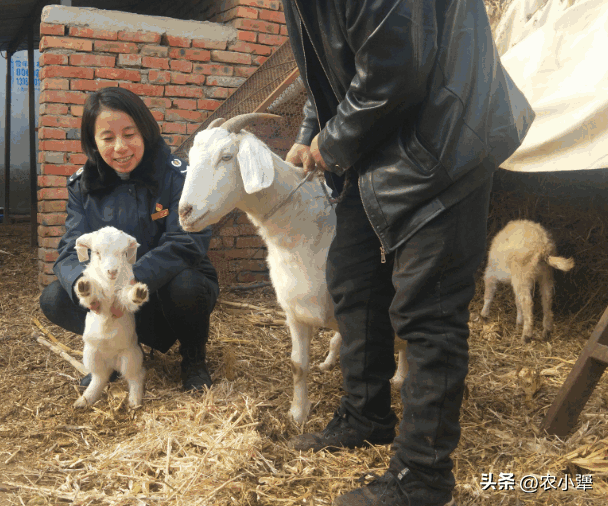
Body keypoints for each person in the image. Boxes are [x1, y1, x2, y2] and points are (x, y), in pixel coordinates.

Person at [280, 1, 534, 505]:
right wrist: (311, 130)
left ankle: (423, 475)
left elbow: (394, 73)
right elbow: (328, 71)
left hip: (445, 137)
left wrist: (330, 142)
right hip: (376, 143)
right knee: (352, 279)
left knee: (428, 307)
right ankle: (366, 414)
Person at [39, 87, 219, 392]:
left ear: (146, 132)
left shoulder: (177, 177)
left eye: (129, 134)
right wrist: (90, 292)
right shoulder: (83, 186)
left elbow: (187, 242)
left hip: (163, 293)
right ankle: (110, 358)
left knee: (187, 285)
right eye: (107, 138)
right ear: (93, 142)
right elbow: (70, 251)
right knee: (55, 297)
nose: (120, 147)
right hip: (110, 297)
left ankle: (193, 358)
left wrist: (129, 282)